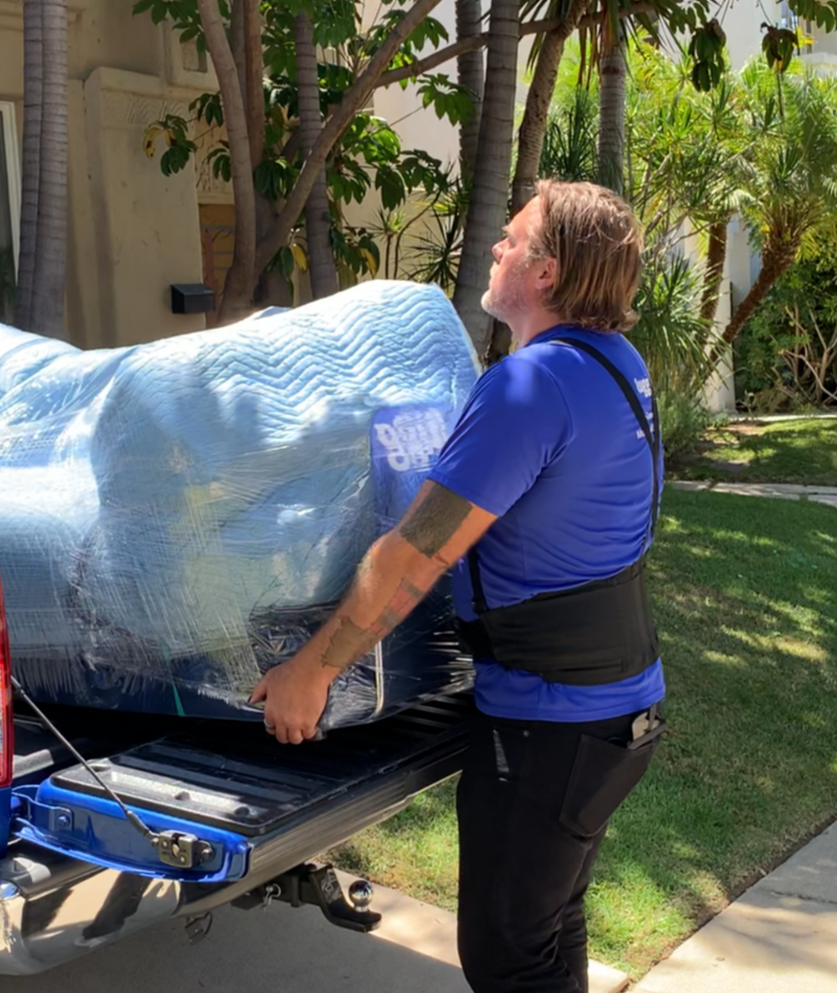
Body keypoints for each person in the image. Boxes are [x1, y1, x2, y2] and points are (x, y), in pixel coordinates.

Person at [250, 179, 667, 993]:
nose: (500, 248)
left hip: (552, 727)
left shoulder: (531, 385)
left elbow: (413, 555)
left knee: (509, 956)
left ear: (546, 273)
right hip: (611, 708)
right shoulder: (613, 364)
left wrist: (312, 670)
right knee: (546, 930)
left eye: (514, 239)